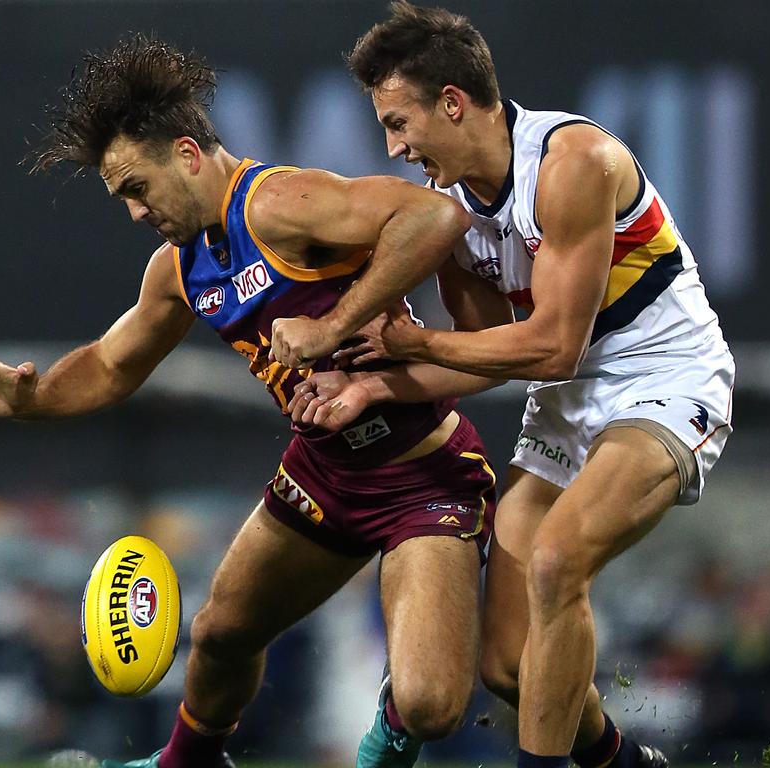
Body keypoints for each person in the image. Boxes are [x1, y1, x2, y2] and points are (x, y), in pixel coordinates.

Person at [0, 33, 499, 768]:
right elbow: (114, 364)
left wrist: (333, 325)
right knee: (218, 636)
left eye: (137, 190)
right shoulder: (178, 269)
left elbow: (436, 218)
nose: (135, 214)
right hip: (326, 474)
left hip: (424, 473)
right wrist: (29, 398)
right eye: (122, 200)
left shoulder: (279, 204)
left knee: (432, 704)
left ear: (186, 154)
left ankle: (387, 742)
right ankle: (186, 763)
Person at [279, 3, 735, 768]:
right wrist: (376, 388)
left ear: (452, 103)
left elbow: (554, 345)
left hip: (663, 377)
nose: (393, 148)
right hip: (565, 402)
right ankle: (621, 762)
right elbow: (480, 353)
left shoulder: (571, 165)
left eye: (398, 122)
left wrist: (415, 342)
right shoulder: (453, 213)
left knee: (557, 559)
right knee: (507, 665)